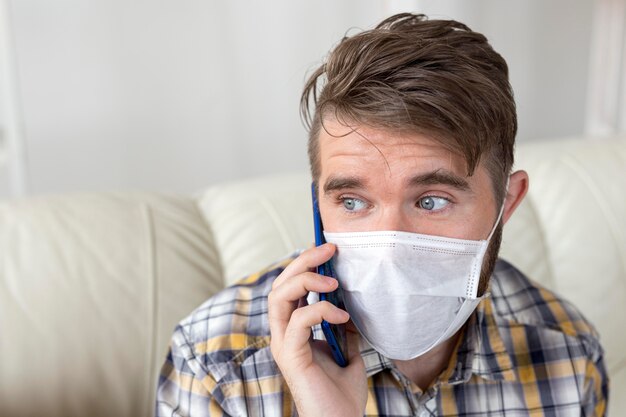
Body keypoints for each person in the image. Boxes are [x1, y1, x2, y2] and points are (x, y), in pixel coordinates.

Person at [156, 13, 608, 416]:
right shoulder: (215, 367)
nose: (389, 247)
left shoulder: (567, 352)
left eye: (431, 201)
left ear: (507, 202)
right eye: (352, 202)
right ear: (319, 206)